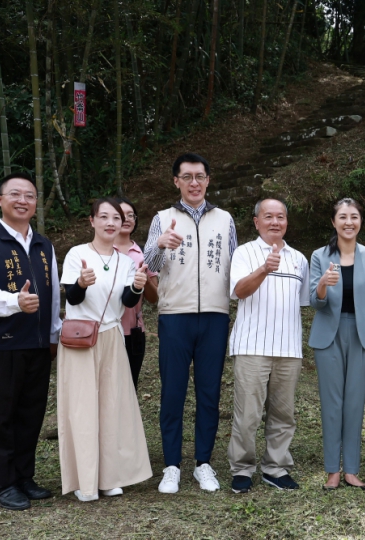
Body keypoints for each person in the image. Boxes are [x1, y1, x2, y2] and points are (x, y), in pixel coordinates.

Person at [144, 152, 238, 494]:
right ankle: (171, 465)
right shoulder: (162, 218)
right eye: (187, 177)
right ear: (176, 182)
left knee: (209, 392)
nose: (194, 182)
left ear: (208, 180)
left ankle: (203, 463)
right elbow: (147, 265)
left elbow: (234, 266)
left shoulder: (224, 219)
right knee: (173, 392)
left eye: (200, 176)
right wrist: (159, 244)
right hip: (175, 317)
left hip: (215, 316)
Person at [0, 173, 62, 511]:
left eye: (30, 196)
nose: (23, 200)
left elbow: (52, 297)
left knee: (30, 413)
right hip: (0, 345)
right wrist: (14, 302)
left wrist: (53, 335)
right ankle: (2, 482)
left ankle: (24, 476)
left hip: (36, 345)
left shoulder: (44, 245)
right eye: (15, 194)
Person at [57, 198, 152, 502]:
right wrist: (82, 283)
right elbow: (71, 299)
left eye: (118, 217)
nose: (112, 223)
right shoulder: (77, 254)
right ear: (92, 221)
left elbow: (126, 302)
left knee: (114, 407)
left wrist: (138, 286)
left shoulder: (125, 261)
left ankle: (111, 477)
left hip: (112, 336)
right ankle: (86, 481)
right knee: (83, 409)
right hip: (80, 339)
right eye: (105, 217)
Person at [227, 199, 310, 494]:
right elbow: (238, 291)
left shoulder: (299, 258)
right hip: (252, 346)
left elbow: (301, 302)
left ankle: (275, 468)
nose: (275, 222)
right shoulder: (244, 252)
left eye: (281, 217)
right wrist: (264, 269)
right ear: (256, 221)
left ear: (287, 221)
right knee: (248, 414)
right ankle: (242, 469)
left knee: (283, 415)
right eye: (268, 217)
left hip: (289, 349)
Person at [309, 198, 365, 490]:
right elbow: (315, 301)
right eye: (342, 217)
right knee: (332, 404)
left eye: (354, 217)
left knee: (355, 402)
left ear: (360, 221)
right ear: (333, 222)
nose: (348, 222)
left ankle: (352, 470)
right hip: (329, 333)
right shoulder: (320, 256)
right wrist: (323, 284)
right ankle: (332, 471)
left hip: (362, 336)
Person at [114, 197, 158, 390]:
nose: (127, 219)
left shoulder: (143, 254)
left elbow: (154, 298)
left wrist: (144, 277)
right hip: (105, 331)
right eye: (121, 215)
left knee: (129, 388)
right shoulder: (99, 251)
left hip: (133, 331)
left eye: (131, 215)